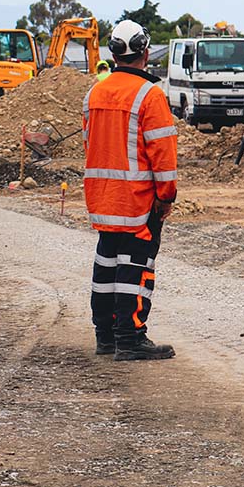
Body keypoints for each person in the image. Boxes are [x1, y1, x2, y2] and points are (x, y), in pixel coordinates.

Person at [83, 20, 178, 361]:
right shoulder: (149, 94)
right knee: (135, 269)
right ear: (145, 53)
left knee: (106, 266)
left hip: (102, 198)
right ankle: (130, 338)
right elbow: (163, 154)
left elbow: (89, 144)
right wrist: (166, 196)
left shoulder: (95, 92)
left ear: (114, 54)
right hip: (137, 201)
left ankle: (105, 337)